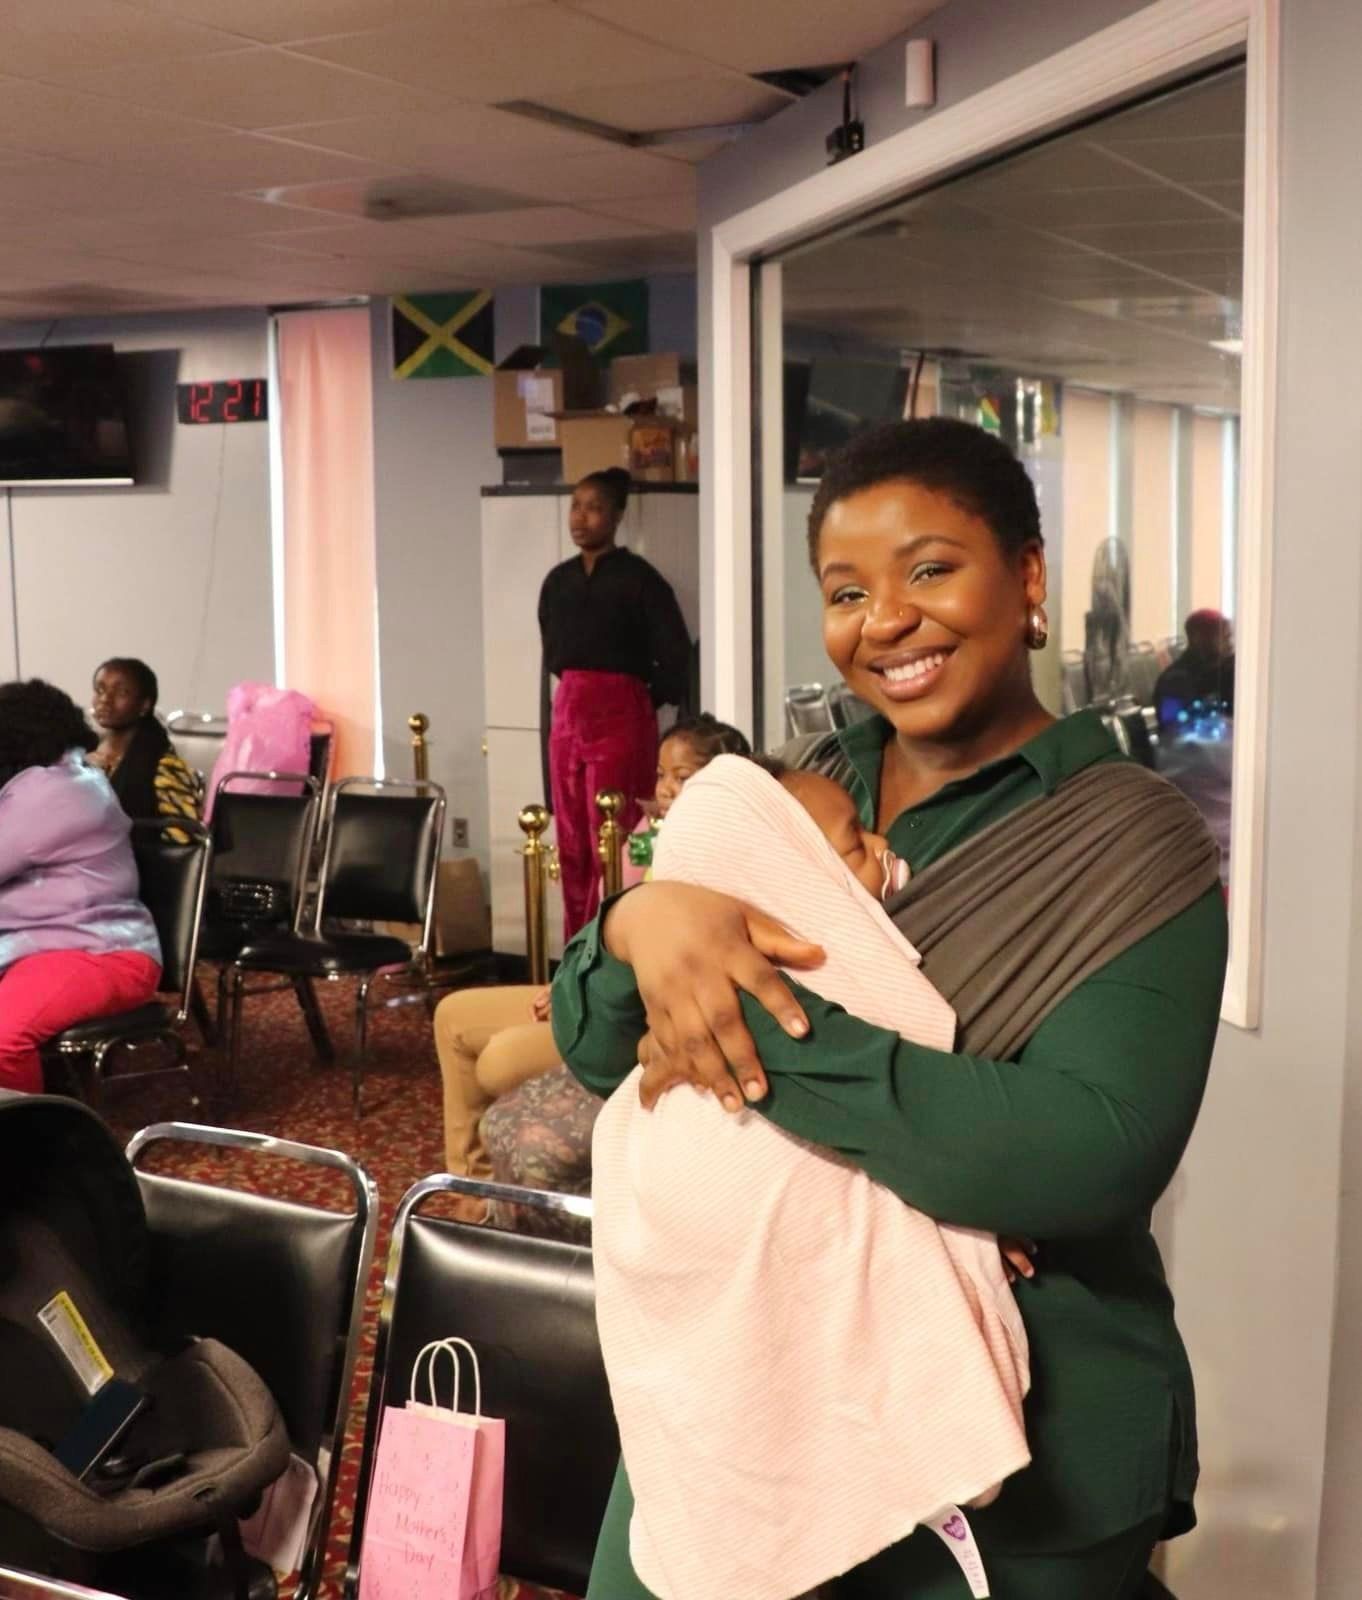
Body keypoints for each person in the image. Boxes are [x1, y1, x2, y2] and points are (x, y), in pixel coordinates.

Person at [553, 417, 1226, 1600]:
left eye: (929, 568)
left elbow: (1083, 1152)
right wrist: (637, 929)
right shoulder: (787, 792)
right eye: (847, 590)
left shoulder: (1126, 835)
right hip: (742, 1390)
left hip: (1013, 1438)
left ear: (1026, 576)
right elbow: (595, 1043)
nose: (887, 620)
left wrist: (734, 1014)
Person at [433, 714, 747, 1224]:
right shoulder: (647, 830)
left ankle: (493, 1205)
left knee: (495, 1062)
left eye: (682, 777)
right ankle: (472, 1182)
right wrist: (567, 980)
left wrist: (578, 993)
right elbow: (602, 924)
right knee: (452, 1016)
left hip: (624, 1017)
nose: (666, 790)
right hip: (586, 983)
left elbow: (656, 976)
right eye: (662, 775)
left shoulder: (720, 857)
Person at [539, 467, 692, 940]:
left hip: (621, 717)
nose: (580, 518)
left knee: (615, 831)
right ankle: (573, 948)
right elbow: (553, 651)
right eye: (575, 506)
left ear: (618, 515)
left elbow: (675, 654)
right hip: (569, 714)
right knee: (570, 838)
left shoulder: (640, 579)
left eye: (594, 507)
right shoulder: (558, 580)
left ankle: (613, 944)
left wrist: (640, 701)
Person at [0, 680, 162, 1093]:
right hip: (36, 943)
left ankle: (30, 1147)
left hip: (95, 952)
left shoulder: (56, 792)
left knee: (1, 1040)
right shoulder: (45, 779)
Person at [89, 658, 201, 825]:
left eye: (121, 693)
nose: (105, 699)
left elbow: (185, 836)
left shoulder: (165, 767)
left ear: (144, 705)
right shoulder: (83, 751)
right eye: (100, 690)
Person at [1153, 609, 1235, 729]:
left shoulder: (1225, 671)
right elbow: (1173, 728)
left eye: (1229, 637)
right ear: (1198, 638)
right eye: (1223, 637)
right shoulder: (1175, 680)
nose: (1230, 644)